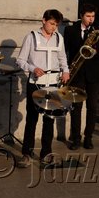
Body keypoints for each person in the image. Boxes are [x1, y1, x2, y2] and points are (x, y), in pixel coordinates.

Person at [16, 9, 70, 167]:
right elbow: (20, 60)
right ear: (43, 20)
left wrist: (65, 71)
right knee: (32, 118)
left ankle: (46, 153)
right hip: (35, 84)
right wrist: (33, 68)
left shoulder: (59, 37)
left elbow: (62, 59)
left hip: (52, 84)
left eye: (56, 25)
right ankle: (26, 153)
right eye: (52, 23)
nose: (54, 27)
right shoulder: (31, 37)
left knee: (49, 119)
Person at [64, 4, 99, 150]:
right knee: (76, 107)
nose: (91, 19)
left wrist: (94, 52)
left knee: (92, 107)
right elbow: (65, 51)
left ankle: (88, 137)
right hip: (77, 74)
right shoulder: (70, 30)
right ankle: (76, 138)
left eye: (93, 16)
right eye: (88, 16)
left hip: (94, 74)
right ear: (81, 16)